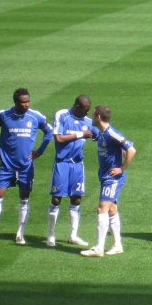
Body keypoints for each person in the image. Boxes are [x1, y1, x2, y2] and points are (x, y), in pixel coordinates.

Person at [0, 88, 53, 245]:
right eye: (23, 102)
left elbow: (49, 132)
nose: (27, 104)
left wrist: (39, 151)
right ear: (16, 102)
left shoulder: (35, 116)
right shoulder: (4, 115)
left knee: (24, 199)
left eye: (28, 101)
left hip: (26, 166)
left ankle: (20, 233)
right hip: (6, 165)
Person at [81, 106, 137, 257]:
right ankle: (118, 245)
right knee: (112, 210)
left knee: (102, 209)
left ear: (98, 117)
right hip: (106, 177)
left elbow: (131, 149)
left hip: (112, 179)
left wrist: (122, 168)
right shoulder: (102, 133)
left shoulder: (111, 133)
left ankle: (99, 248)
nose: (92, 117)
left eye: (93, 115)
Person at [46, 95, 95, 247]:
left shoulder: (88, 122)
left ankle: (73, 235)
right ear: (77, 106)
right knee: (56, 199)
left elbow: (100, 135)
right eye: (86, 110)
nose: (88, 113)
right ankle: (51, 234)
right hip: (62, 163)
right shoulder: (62, 115)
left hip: (78, 165)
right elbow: (59, 139)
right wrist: (81, 134)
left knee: (76, 199)